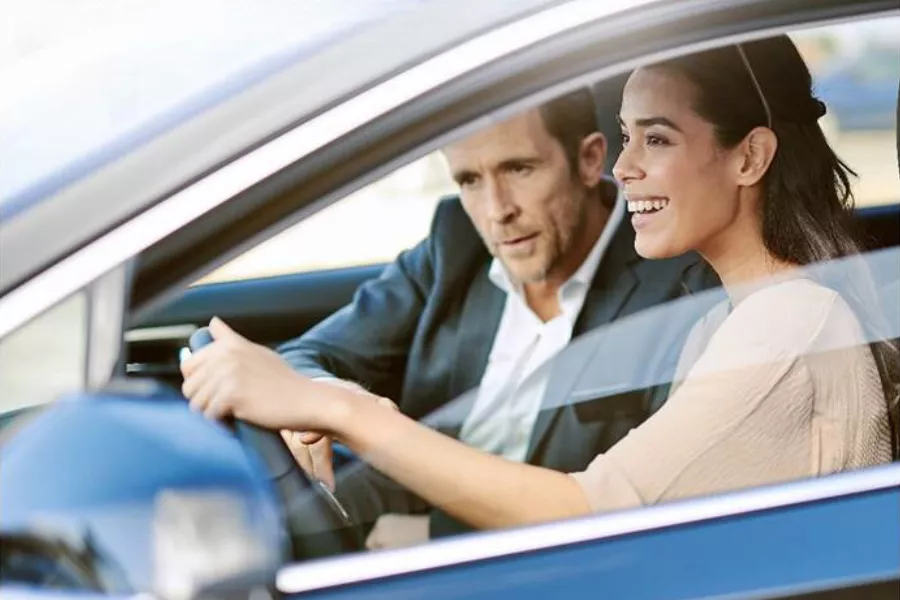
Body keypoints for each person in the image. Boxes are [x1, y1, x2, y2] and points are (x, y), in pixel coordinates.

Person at [181, 35, 898, 533]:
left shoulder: (787, 325)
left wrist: (343, 409)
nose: (624, 170)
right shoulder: (732, 321)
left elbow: (594, 511)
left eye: (657, 138)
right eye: (625, 138)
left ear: (750, 157)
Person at [274, 88, 716, 548]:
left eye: (519, 169)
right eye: (469, 180)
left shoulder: (678, 289)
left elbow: (634, 505)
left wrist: (429, 537)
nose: (496, 210)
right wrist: (335, 401)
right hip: (373, 521)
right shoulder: (455, 241)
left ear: (589, 160)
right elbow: (302, 358)